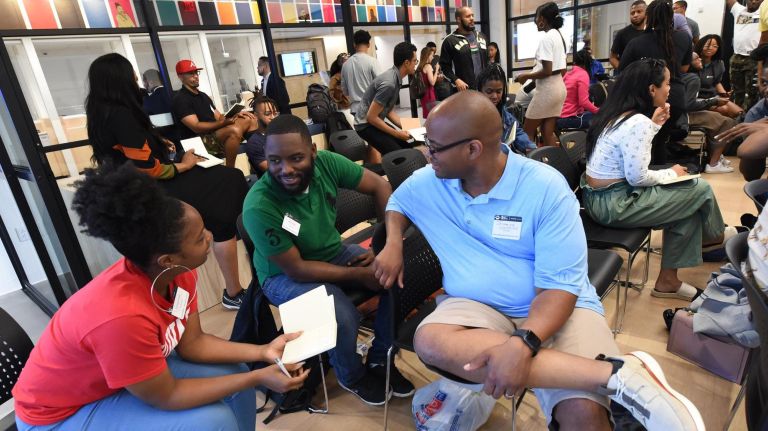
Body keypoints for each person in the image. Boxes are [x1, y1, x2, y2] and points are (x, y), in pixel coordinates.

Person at [372, 90, 705, 431]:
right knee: (429, 340)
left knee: (585, 418)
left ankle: (615, 382)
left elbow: (559, 290)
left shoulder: (544, 187)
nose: (428, 154)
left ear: (472, 149)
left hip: (558, 306)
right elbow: (397, 202)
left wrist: (523, 343)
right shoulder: (432, 181)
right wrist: (393, 242)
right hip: (475, 306)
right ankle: (619, 376)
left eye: (435, 146)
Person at [12, 162, 308, 431]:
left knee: (236, 375)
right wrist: (258, 378)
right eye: (199, 237)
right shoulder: (120, 316)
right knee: (213, 421)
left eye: (204, 228)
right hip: (57, 415)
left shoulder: (179, 273)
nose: (210, 238)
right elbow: (167, 395)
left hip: (112, 382)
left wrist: (263, 352)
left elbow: (193, 344)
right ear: (168, 259)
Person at [242, 114, 415, 406]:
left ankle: (379, 359)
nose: (285, 169)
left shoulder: (327, 163)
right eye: (274, 161)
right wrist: (358, 275)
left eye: (296, 158)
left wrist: (383, 246)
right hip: (281, 277)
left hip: (331, 252)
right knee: (341, 314)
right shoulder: (259, 206)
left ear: (312, 151)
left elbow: (380, 187)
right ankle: (351, 375)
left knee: (396, 274)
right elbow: (296, 268)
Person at [86, 53, 248, 310]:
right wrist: (183, 165)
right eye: (131, 74)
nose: (137, 78)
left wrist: (159, 142)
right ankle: (233, 288)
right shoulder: (123, 114)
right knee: (229, 182)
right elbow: (146, 168)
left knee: (226, 181)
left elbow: (126, 152)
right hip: (150, 189)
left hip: (132, 189)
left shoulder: (101, 113)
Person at [583, 58, 734, 302]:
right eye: (666, 83)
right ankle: (714, 237)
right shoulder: (636, 122)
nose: (669, 88)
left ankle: (668, 282)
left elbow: (630, 158)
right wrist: (671, 173)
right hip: (615, 204)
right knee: (700, 187)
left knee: (688, 208)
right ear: (651, 89)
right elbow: (638, 176)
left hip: (601, 200)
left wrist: (654, 126)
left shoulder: (618, 116)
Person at [619, 0, 692, 165]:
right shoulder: (684, 38)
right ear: (671, 17)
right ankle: (659, 176)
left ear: (649, 17)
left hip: (647, 98)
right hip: (676, 98)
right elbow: (685, 68)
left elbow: (624, 70)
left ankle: (645, 177)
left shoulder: (637, 42)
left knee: (645, 141)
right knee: (660, 140)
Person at [171, 59, 258, 168]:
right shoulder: (180, 99)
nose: (195, 76)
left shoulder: (203, 96)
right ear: (180, 76)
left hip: (213, 134)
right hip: (198, 140)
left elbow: (219, 116)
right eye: (190, 74)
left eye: (196, 73)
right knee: (233, 130)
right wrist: (224, 123)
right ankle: (230, 170)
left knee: (249, 118)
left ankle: (257, 159)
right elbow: (196, 127)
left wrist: (233, 116)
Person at [515, 2, 568, 147]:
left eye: (536, 17)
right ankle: (558, 164)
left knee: (527, 132)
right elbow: (562, 70)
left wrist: (526, 76)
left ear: (543, 19)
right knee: (547, 132)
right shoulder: (559, 36)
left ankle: (532, 166)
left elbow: (547, 70)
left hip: (548, 91)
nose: (535, 21)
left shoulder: (546, 39)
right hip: (559, 88)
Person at [354, 42, 418, 156]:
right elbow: (371, 117)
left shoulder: (395, 77)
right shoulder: (389, 83)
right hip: (365, 126)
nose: (416, 65)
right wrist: (397, 134)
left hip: (371, 122)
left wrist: (412, 127)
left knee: (408, 149)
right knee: (401, 155)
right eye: (415, 61)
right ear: (406, 63)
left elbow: (388, 111)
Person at [683, 52, 738, 173]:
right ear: (688, 63)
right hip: (685, 115)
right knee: (727, 122)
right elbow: (689, 104)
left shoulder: (688, 75)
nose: (700, 60)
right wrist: (712, 102)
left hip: (685, 112)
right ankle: (714, 164)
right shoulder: (693, 78)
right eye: (697, 59)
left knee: (720, 116)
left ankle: (714, 156)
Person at [477, 64, 535, 155]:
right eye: (489, 92)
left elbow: (516, 131)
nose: (495, 96)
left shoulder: (502, 111)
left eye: (499, 91)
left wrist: (529, 146)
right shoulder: (474, 115)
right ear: (480, 90)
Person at [694, 34, 744, 118]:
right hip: (699, 98)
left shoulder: (719, 63)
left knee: (739, 112)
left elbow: (717, 82)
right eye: (707, 45)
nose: (710, 48)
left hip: (713, 96)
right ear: (700, 45)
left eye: (715, 46)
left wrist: (724, 94)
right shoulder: (694, 62)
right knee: (724, 109)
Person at [439, 6, 488, 92]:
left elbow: (487, 61)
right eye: (468, 16)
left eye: (472, 15)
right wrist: (456, 80)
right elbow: (444, 67)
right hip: (463, 90)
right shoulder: (450, 41)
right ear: (458, 19)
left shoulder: (481, 36)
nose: (472, 18)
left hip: (484, 88)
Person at [726, 0, 763, 111]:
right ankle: (737, 114)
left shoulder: (764, 11)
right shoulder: (738, 10)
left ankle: (749, 117)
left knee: (752, 92)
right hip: (736, 57)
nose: (754, 1)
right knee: (736, 90)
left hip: (754, 59)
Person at [558, 49, 600, 131]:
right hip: (570, 119)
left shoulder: (568, 73)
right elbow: (584, 102)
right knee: (604, 117)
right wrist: (600, 111)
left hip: (559, 117)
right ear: (588, 63)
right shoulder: (583, 74)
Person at [342, 30, 380, 116]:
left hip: (355, 110)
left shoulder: (345, 65)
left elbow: (345, 91)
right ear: (369, 44)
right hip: (371, 108)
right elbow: (381, 85)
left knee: (360, 129)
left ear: (354, 44)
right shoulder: (372, 61)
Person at [244, 94, 279, 175]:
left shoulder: (282, 134)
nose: (273, 117)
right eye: (268, 114)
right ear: (256, 115)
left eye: (275, 113)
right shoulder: (254, 143)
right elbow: (272, 170)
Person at [609, 0, 647, 70]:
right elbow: (612, 58)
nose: (635, 15)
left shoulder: (650, 33)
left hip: (647, 75)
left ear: (646, 13)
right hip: (628, 77)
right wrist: (623, 71)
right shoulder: (622, 34)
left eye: (639, 12)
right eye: (632, 13)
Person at [416, 46, 439, 118]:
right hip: (429, 95)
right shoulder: (428, 66)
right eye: (432, 55)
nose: (432, 57)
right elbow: (432, 82)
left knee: (428, 116)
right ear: (427, 55)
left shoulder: (420, 67)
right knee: (432, 116)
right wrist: (437, 70)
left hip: (423, 96)